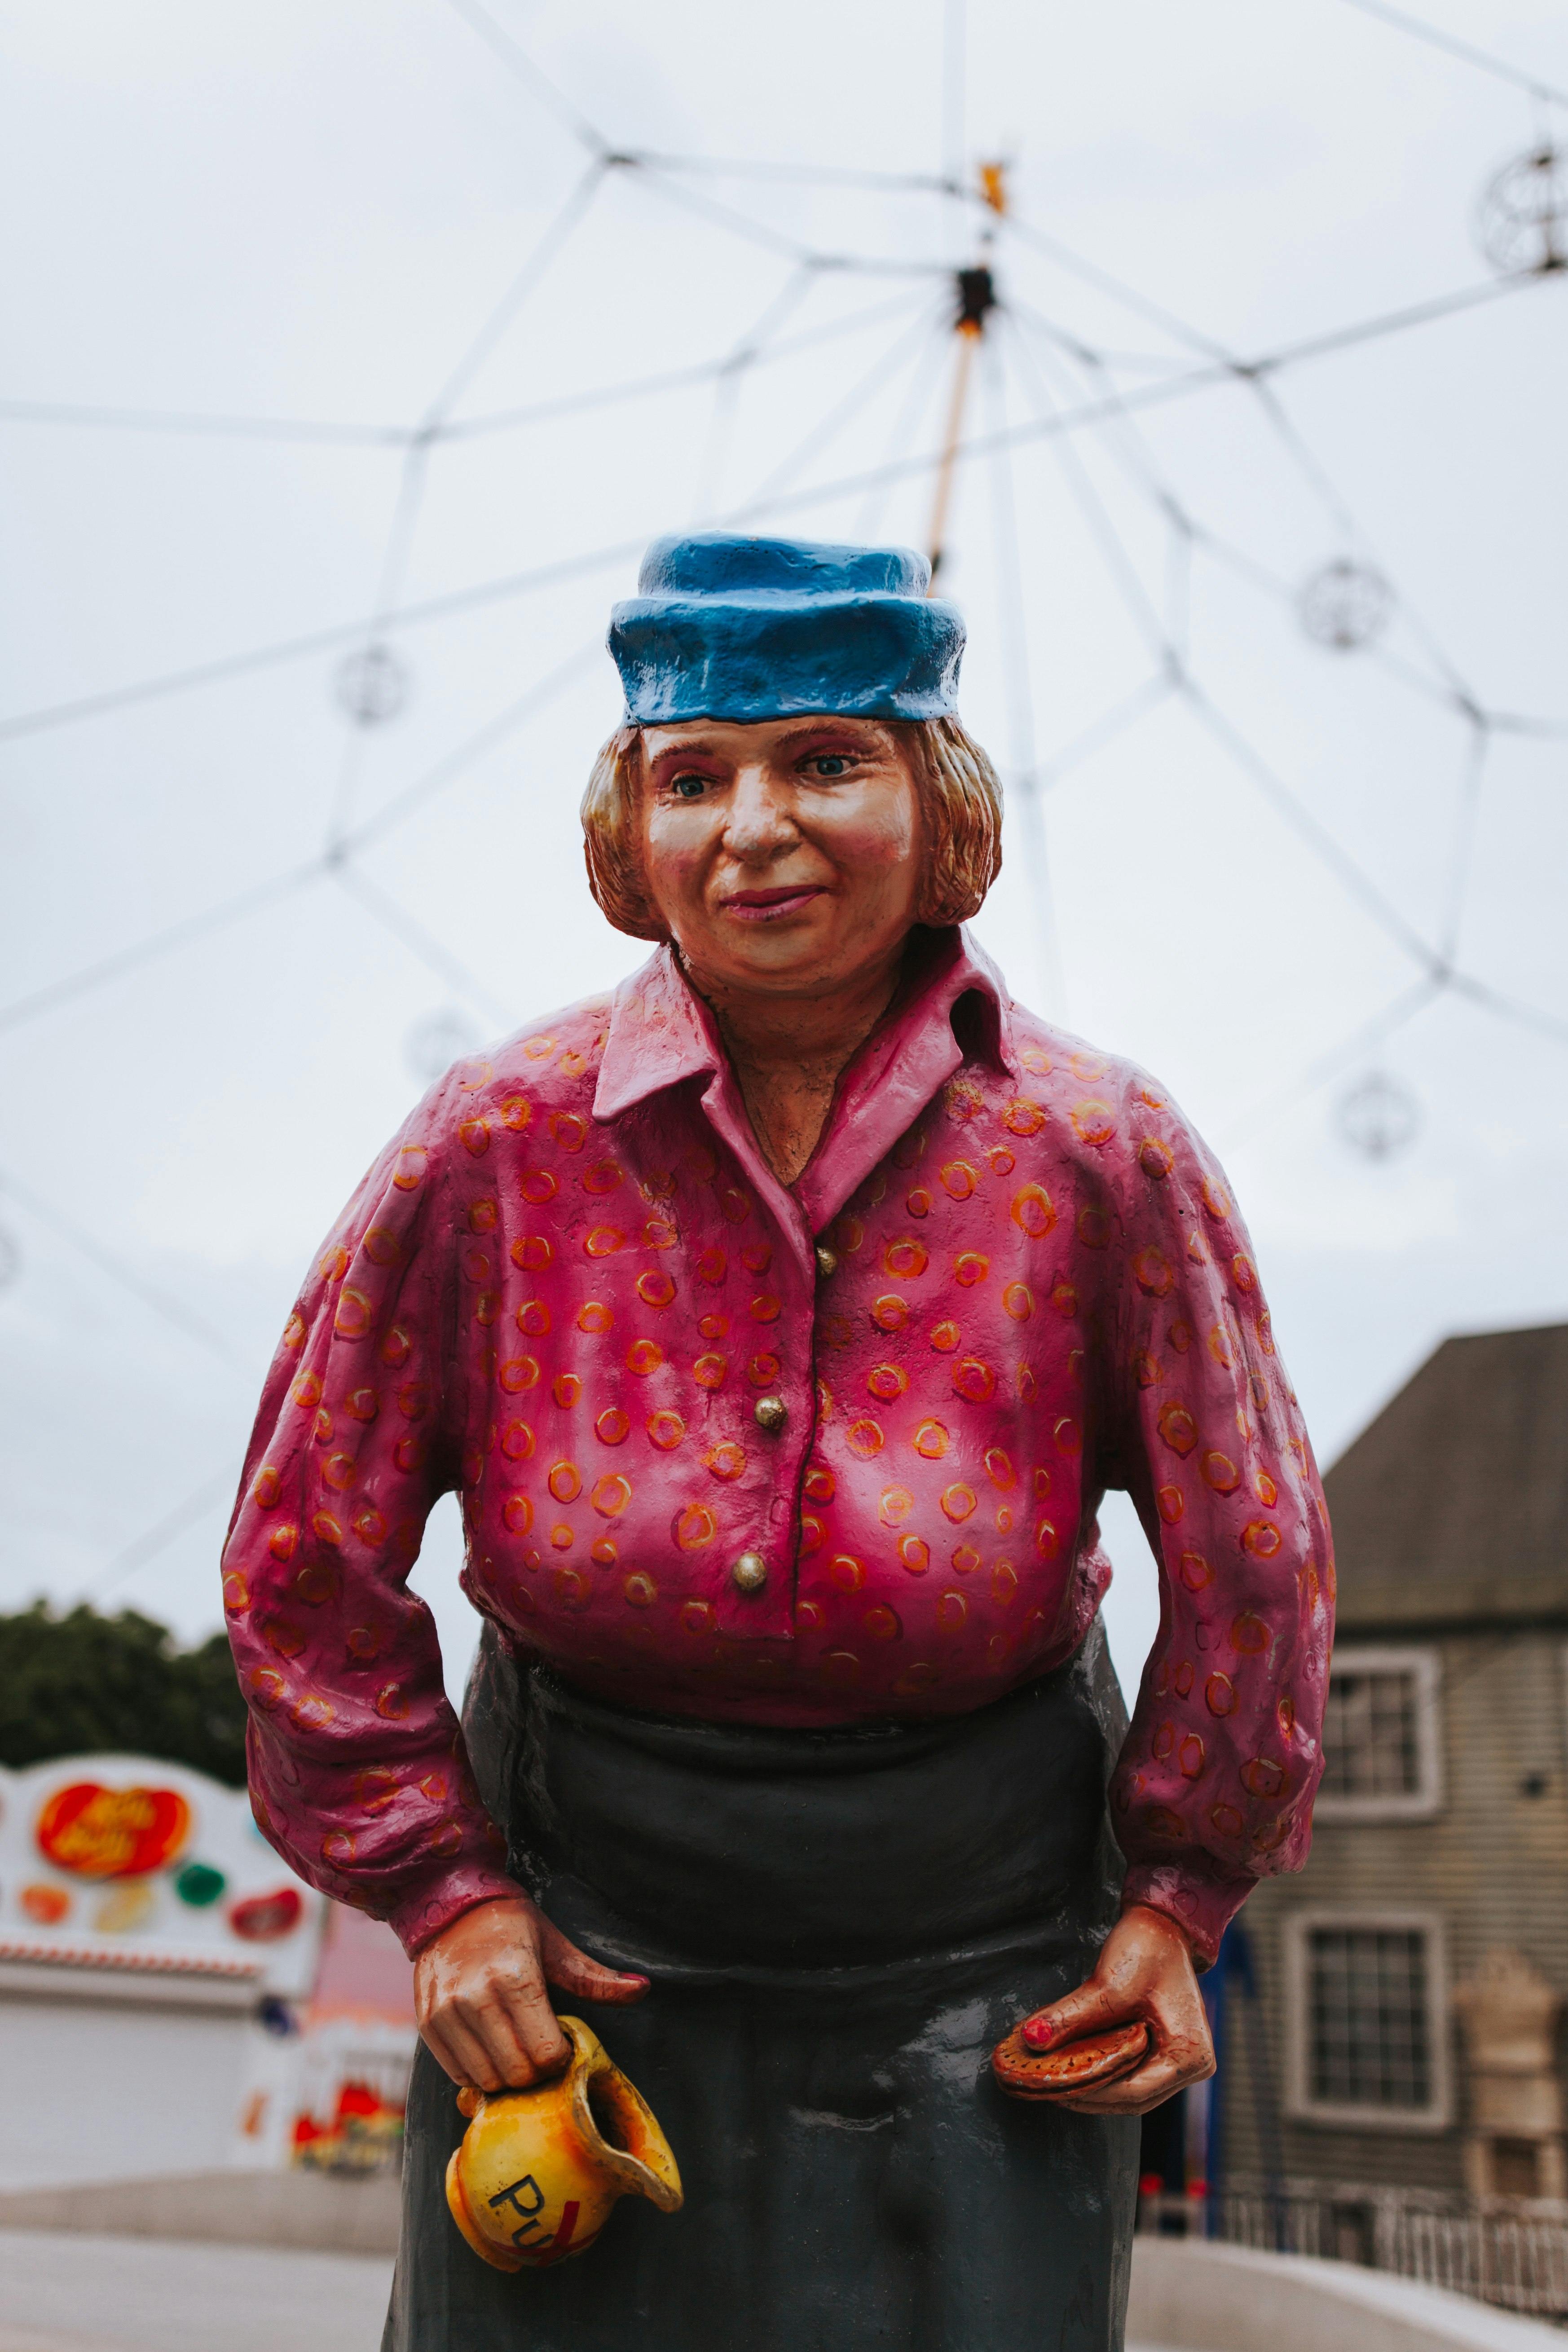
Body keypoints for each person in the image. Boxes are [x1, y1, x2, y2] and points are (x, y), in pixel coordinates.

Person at [222, 533, 1332, 2352]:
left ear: (938, 797)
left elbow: (1253, 1546)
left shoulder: (1101, 1152)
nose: (756, 827)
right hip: (570, 1943)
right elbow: (302, 1548)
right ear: (627, 822)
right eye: (695, 777)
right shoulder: (494, 1141)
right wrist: (439, 1890)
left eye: (828, 760)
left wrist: (1182, 1899)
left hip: (996, 1955)